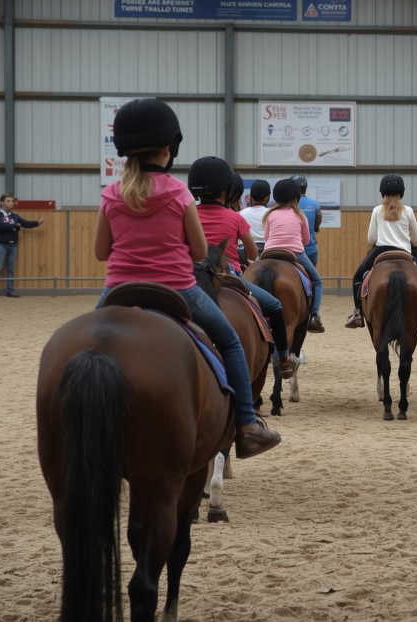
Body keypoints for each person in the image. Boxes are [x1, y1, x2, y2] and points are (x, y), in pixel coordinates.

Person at [92, 97, 280, 460]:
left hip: (119, 288)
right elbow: (197, 252)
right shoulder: (178, 192)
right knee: (230, 343)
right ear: (168, 149)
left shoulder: (112, 193)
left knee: (85, 347)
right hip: (177, 288)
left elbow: (101, 252)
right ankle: (247, 426)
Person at [189, 156, 300, 379]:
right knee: (274, 305)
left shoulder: (188, 215)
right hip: (227, 276)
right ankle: (284, 358)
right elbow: (251, 254)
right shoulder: (235, 217)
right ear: (227, 191)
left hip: (192, 278)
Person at [344, 173, 417, 331]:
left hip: (380, 251)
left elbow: (371, 238)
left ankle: (358, 312)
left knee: (357, 277)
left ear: (382, 193)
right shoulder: (408, 211)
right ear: (401, 193)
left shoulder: (377, 210)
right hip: (404, 252)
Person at [263, 178, 325, 333]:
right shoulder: (300, 215)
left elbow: (267, 238)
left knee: (248, 274)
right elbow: (306, 240)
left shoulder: (270, 214)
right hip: (295, 253)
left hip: (270, 252)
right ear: (296, 198)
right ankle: (314, 316)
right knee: (317, 281)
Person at [0, 194, 45, 298]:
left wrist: (37, 223)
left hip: (13, 245)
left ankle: (10, 291)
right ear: (2, 203)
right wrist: (15, 227)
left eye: (12, 201)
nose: (11, 203)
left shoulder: (14, 216)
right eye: (8, 201)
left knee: (11, 268)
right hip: (1, 245)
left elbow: (25, 223)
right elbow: (2, 227)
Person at [292, 175, 322, 267]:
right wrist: (316, 228)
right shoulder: (314, 204)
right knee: (313, 276)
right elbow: (317, 224)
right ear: (305, 188)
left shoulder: (287, 205)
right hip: (310, 250)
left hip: (291, 251)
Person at [240, 179, 271, 255]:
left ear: (250, 197)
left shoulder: (241, 213)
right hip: (267, 252)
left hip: (246, 251)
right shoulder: (271, 213)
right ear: (267, 198)